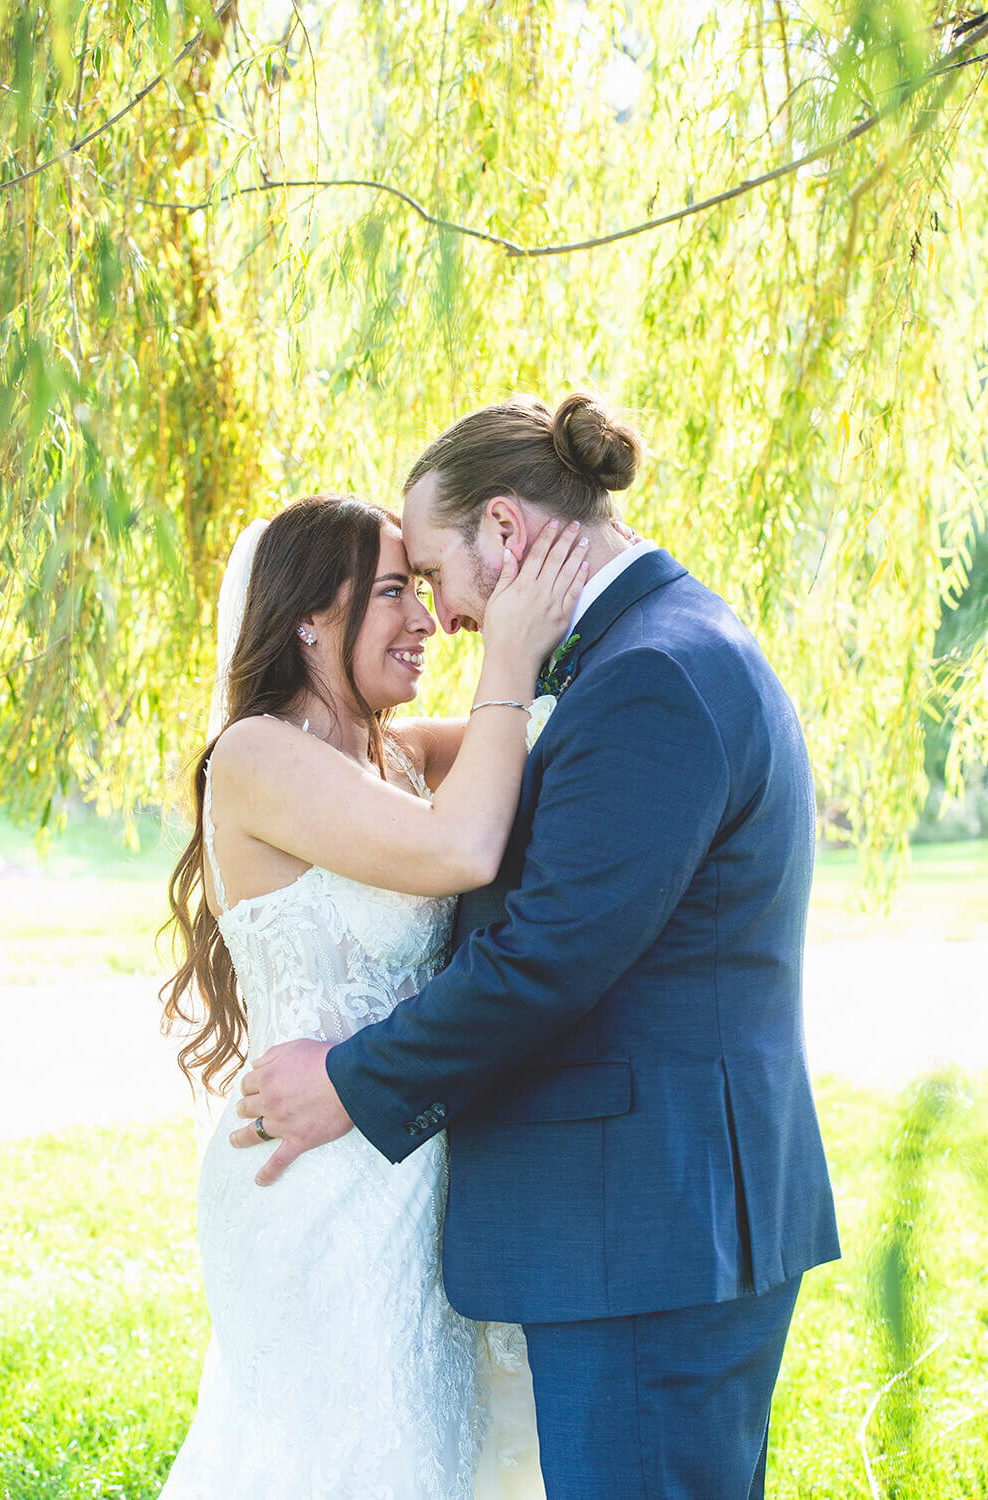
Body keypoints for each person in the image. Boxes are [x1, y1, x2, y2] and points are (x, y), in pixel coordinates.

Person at [234, 392, 842, 1499]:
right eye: (399, 589)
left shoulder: (646, 675)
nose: (442, 618)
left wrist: (350, 1081)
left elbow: (547, 957)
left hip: (648, 1237)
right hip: (645, 1226)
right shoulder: (643, 653)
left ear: (505, 532)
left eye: (435, 576)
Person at [159, 492, 587, 1497]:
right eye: (395, 592)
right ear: (309, 614)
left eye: (418, 590)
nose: (427, 620)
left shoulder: (391, 753)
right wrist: (508, 656)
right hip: (312, 1186)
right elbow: (462, 844)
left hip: (413, 1175)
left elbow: (538, 737)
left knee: (436, 1455)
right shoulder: (257, 754)